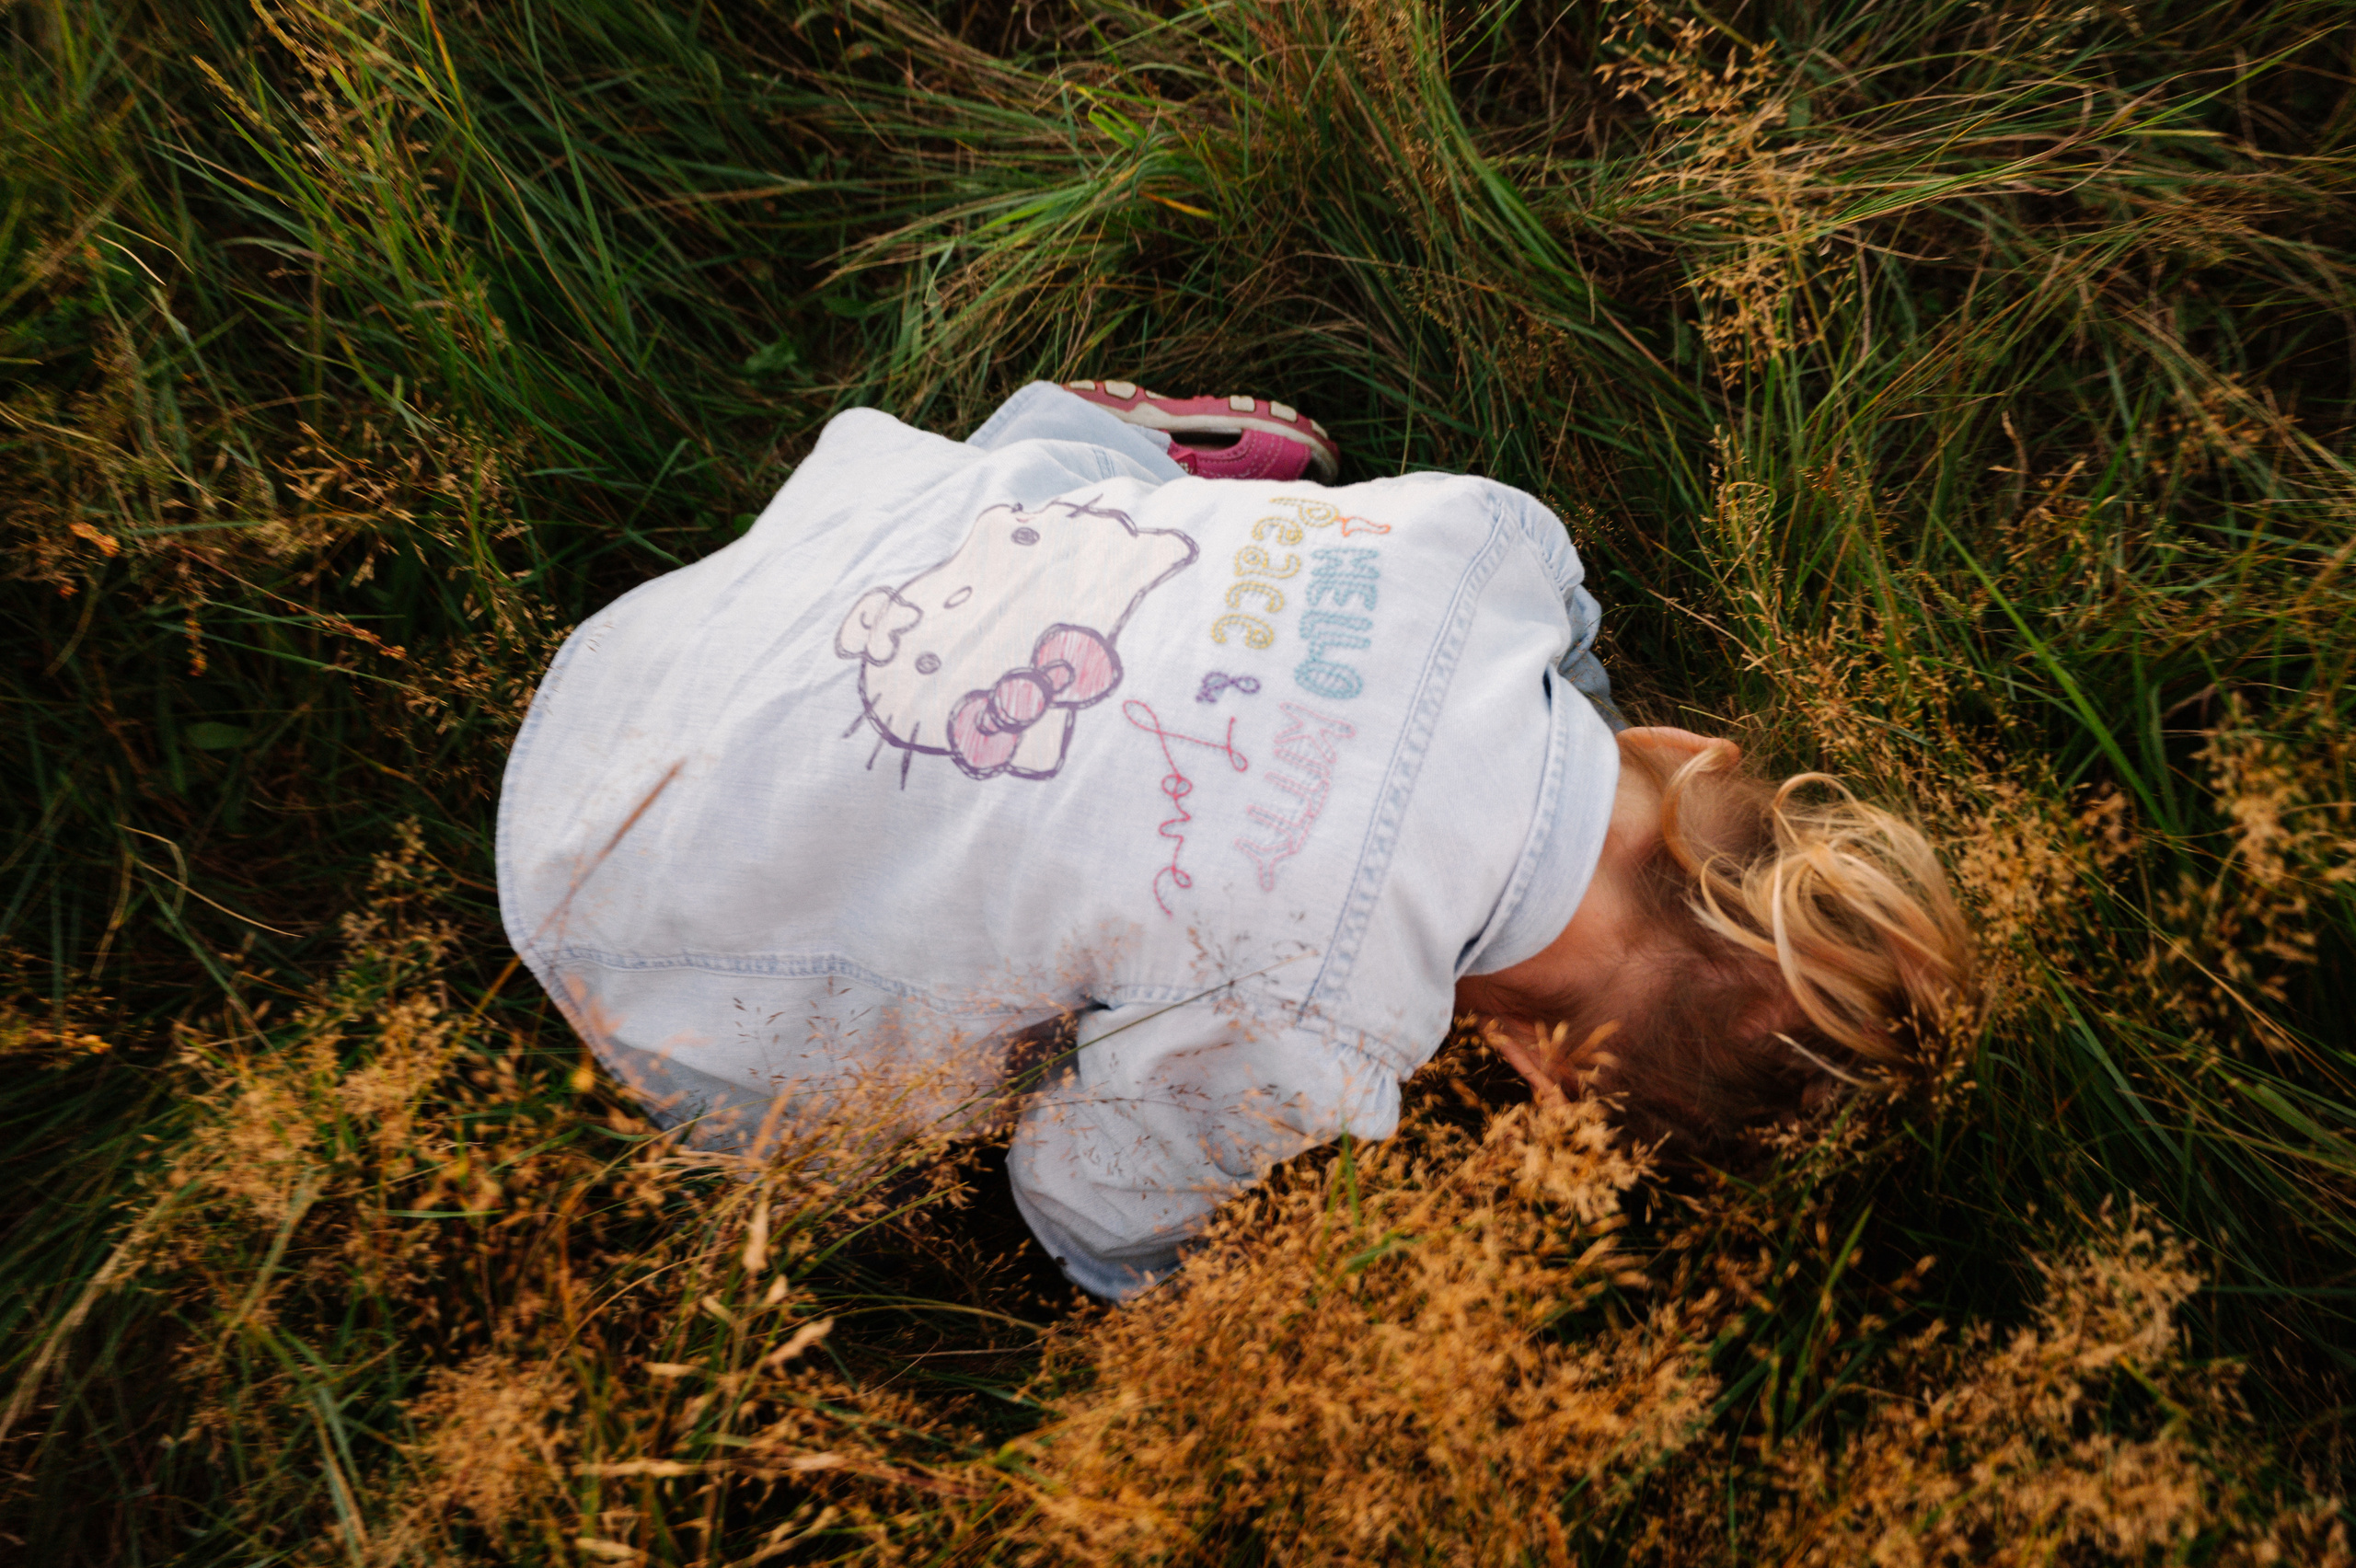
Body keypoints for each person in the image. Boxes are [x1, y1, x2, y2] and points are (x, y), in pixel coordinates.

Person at [496, 380, 1973, 1300]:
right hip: (611, 886)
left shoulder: (1493, 543)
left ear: (1686, 749)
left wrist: (1544, 726)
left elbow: (1573, 641)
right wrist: (1175, 1270)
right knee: (850, 1126)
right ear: (1531, 1065)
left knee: (1093, 525)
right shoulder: (1315, 1037)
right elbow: (1080, 1206)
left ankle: (1143, 455)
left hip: (799, 586)